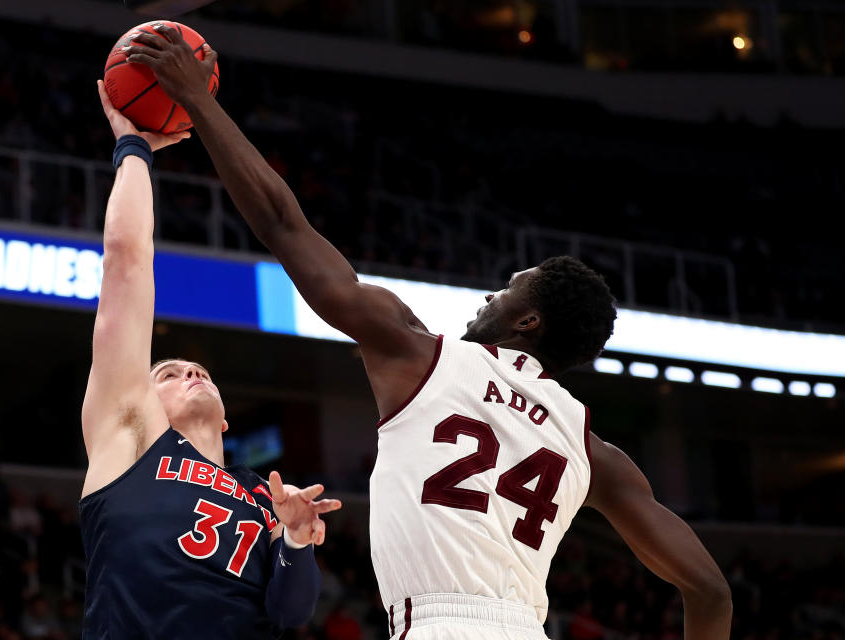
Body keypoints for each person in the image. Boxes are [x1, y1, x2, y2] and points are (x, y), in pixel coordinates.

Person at [123, 25, 732, 639]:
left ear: (527, 320)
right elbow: (709, 592)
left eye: (509, 287)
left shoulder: (421, 355)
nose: (492, 294)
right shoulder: (595, 450)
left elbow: (284, 224)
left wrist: (199, 101)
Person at [79, 79, 341, 639]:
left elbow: (292, 613)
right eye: (167, 374)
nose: (190, 372)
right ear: (142, 398)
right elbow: (127, 263)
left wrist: (295, 539)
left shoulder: (260, 493)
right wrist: (134, 148)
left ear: (225, 420)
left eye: (197, 370)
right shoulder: (128, 436)